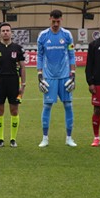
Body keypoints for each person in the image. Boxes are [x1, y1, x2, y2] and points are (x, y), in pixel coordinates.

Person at [35, 10, 77, 147]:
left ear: (61, 20)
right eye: (53, 21)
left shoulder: (67, 35)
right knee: (47, 106)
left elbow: (71, 54)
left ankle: (69, 138)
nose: (55, 24)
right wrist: (39, 75)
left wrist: (73, 73)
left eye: (58, 21)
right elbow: (40, 56)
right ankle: (45, 138)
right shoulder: (43, 36)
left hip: (65, 76)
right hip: (49, 77)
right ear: (50, 19)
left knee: (68, 106)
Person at [0, 23, 27, 147]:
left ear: (11, 33)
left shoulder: (18, 48)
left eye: (8, 30)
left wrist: (23, 85)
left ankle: (12, 139)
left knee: (14, 110)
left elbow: (22, 68)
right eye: (3, 30)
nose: (5, 32)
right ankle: (0, 139)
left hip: (13, 82)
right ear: (0, 33)